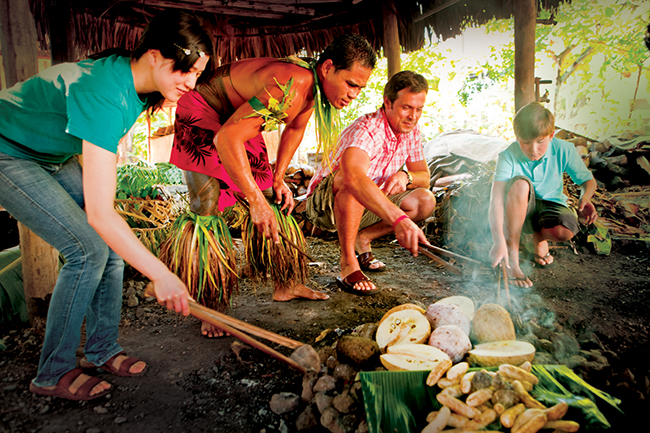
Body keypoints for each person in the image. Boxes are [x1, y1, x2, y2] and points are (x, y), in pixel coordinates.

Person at [0, 11, 213, 401]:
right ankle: (53, 372)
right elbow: (100, 214)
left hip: (48, 154)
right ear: (153, 55)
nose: (191, 83)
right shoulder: (105, 91)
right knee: (87, 248)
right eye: (183, 71)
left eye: (197, 74)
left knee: (109, 249)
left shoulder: (139, 85)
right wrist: (160, 273)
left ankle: (100, 351)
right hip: (8, 153)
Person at [169, 34, 377, 336]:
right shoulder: (293, 84)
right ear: (329, 68)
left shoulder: (312, 89)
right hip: (202, 110)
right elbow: (227, 138)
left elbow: (294, 128)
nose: (354, 94)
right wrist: (253, 200)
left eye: (361, 87)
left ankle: (286, 283)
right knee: (206, 207)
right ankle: (209, 307)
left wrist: (278, 177)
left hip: (237, 115)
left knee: (274, 196)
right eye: (351, 84)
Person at [304, 71, 436, 295]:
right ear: (388, 102)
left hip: (369, 203)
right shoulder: (366, 129)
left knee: (425, 200)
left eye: (419, 109)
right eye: (406, 107)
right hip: (325, 207)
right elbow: (353, 178)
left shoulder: (411, 132)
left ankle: (362, 239)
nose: (413, 116)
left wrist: (406, 176)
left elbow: (424, 175)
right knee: (352, 180)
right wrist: (400, 220)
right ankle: (348, 263)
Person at [488, 102, 598, 288]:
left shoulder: (564, 149)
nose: (533, 149)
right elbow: (496, 199)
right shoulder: (508, 156)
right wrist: (498, 241)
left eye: (540, 141)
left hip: (550, 205)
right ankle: (513, 260)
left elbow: (588, 181)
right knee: (520, 185)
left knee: (566, 231)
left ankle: (539, 237)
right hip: (518, 207)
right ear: (517, 138)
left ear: (551, 135)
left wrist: (585, 197)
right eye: (525, 142)